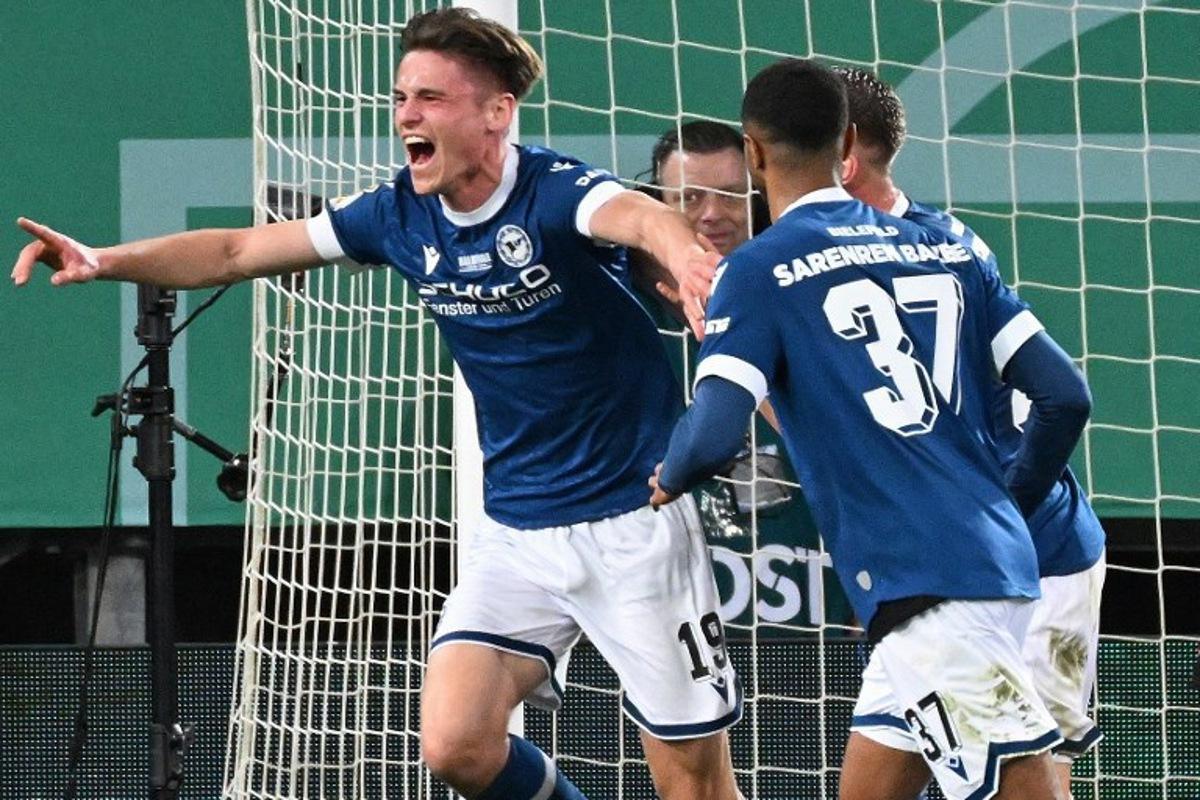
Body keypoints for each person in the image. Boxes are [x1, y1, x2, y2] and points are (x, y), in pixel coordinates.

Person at [11, 9, 741, 800]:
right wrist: (104, 259)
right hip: (518, 533)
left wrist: (688, 260)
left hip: (633, 521)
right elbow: (237, 250)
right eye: (401, 98)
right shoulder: (397, 213)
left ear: (496, 112)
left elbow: (643, 216)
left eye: (430, 98)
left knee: (693, 786)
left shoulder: (555, 191)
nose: (406, 117)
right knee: (457, 745)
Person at [649, 58, 1091, 800]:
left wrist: (669, 474)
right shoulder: (947, 246)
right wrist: (1004, 506)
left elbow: (712, 438)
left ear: (753, 155)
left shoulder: (758, 270)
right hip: (992, 568)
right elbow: (1065, 396)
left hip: (929, 591)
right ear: (847, 141)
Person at [833, 65, 1107, 799]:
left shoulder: (909, 259)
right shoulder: (943, 241)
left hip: (1028, 562)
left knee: (1036, 785)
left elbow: (1062, 398)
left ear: (845, 153)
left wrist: (998, 520)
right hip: (947, 568)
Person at [642, 120, 855, 628]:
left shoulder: (814, 303)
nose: (712, 213)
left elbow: (844, 454)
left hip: (818, 607)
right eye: (690, 197)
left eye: (731, 195)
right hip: (673, 614)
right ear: (659, 209)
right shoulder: (633, 321)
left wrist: (733, 330)